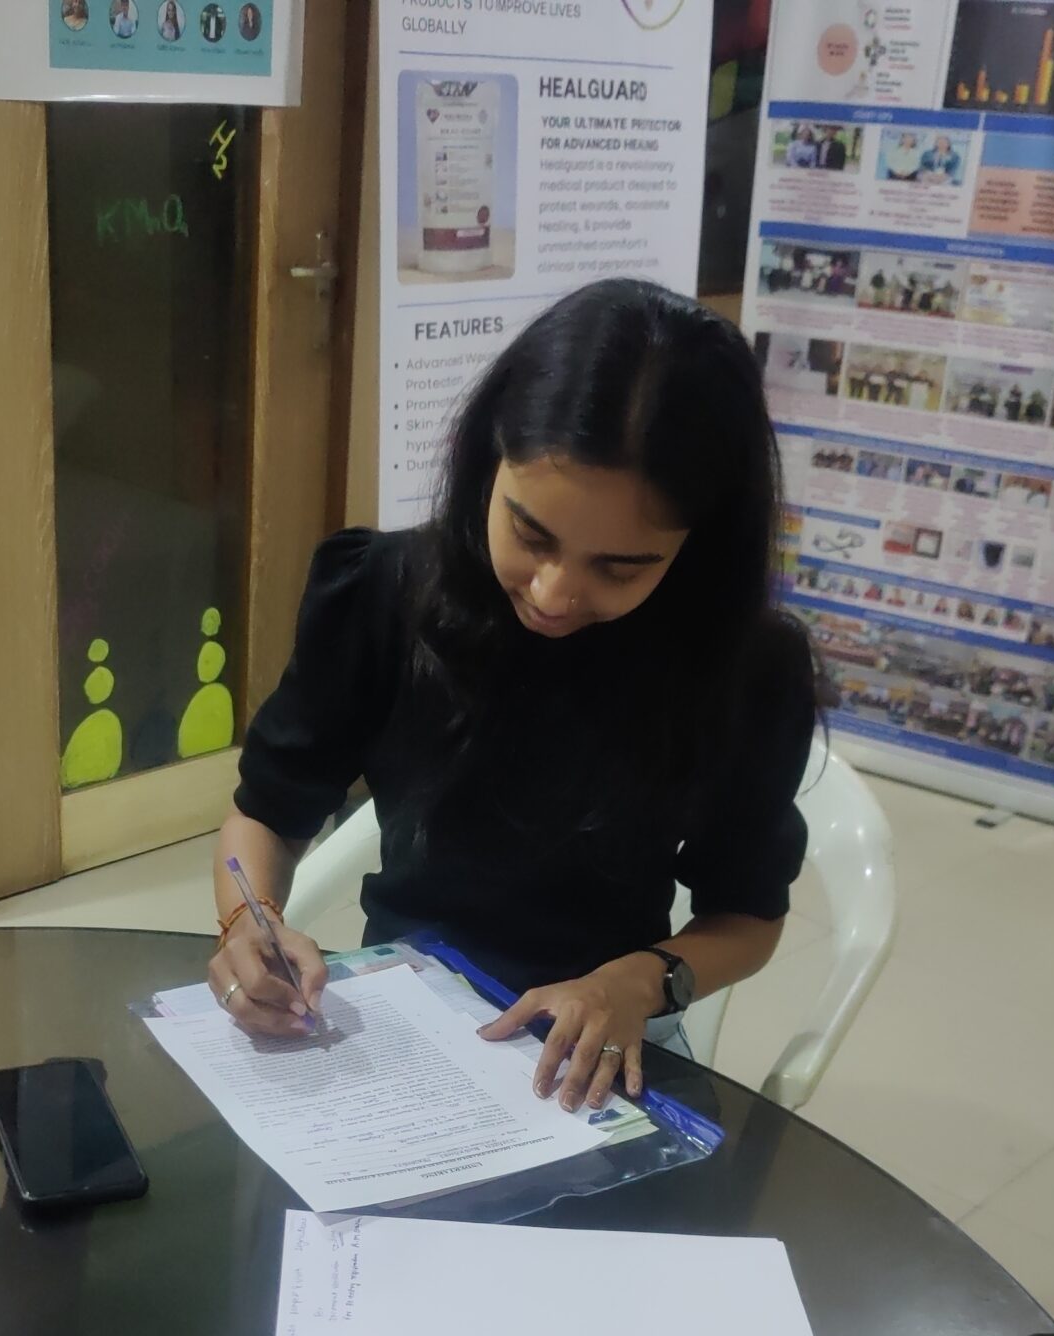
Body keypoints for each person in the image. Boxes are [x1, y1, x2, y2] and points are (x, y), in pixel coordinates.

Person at [206, 279, 816, 1113]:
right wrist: (249, 923)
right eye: (530, 534)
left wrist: (641, 981)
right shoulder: (385, 593)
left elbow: (747, 917)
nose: (555, 593)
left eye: (620, 568)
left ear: (697, 543)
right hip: (401, 1011)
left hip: (599, 1042)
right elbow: (268, 812)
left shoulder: (745, 667)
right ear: (486, 458)